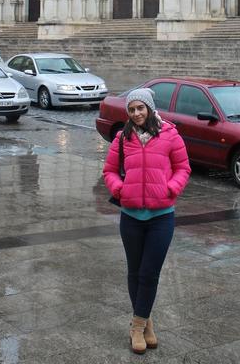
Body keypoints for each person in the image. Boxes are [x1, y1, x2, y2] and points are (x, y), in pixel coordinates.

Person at [103, 87, 191, 354]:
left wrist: (170, 188)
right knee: (134, 271)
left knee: (149, 273)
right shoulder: (122, 138)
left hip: (161, 217)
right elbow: (109, 170)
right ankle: (145, 324)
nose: (136, 113)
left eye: (140, 108)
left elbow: (183, 168)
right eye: (132, 109)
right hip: (130, 217)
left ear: (150, 108)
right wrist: (119, 188)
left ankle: (135, 327)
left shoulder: (170, 135)